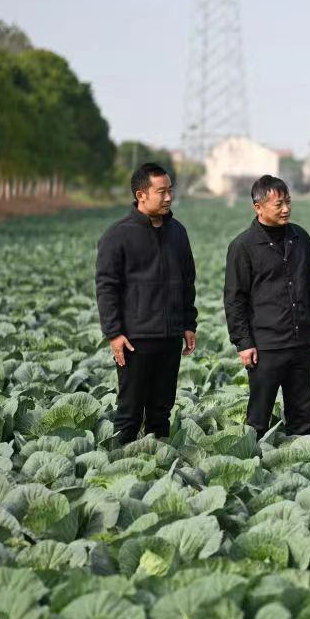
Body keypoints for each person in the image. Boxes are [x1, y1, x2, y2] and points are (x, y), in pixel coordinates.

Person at [95, 163, 197, 445]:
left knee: (161, 412)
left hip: (170, 337)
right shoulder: (118, 235)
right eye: (161, 192)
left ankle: (159, 469)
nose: (168, 198)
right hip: (135, 339)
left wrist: (188, 324)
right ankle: (118, 467)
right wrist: (114, 333)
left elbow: (187, 281)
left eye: (170, 191)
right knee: (129, 412)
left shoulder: (177, 232)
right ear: (141, 194)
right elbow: (106, 287)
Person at [224, 175, 310, 438]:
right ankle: (253, 467)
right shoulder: (243, 246)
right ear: (258, 207)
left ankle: (299, 464)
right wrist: (243, 342)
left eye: (288, 202)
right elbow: (234, 298)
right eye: (278, 204)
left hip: (300, 341)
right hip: (265, 345)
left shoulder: (300, 237)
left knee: (302, 418)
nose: (286, 209)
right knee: (258, 417)